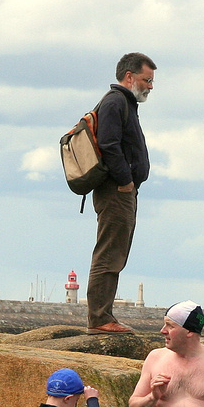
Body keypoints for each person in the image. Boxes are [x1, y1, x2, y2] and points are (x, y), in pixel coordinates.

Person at [85, 53, 154, 335]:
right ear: (129, 76)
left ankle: (103, 315)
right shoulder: (115, 102)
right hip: (115, 190)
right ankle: (100, 318)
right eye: (146, 80)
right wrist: (125, 180)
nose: (150, 86)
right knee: (109, 253)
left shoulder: (124, 103)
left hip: (122, 191)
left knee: (116, 253)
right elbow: (109, 145)